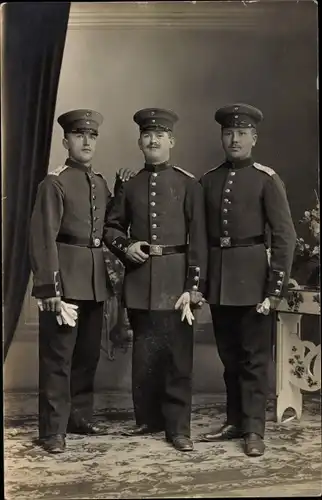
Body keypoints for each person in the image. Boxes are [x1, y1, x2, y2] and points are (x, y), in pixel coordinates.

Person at [29, 109, 134, 454]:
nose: (87, 142)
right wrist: (50, 290)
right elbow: (44, 238)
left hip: (93, 282)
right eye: (79, 136)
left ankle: (78, 417)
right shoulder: (54, 182)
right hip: (66, 283)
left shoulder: (99, 182)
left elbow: (104, 229)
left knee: (86, 356)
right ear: (66, 141)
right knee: (58, 358)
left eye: (92, 136)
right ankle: (52, 431)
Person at [103, 108, 208, 452]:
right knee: (145, 356)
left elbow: (199, 239)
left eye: (159, 136)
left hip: (176, 283)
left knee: (178, 358)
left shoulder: (188, 184)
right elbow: (111, 228)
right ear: (139, 141)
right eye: (147, 136)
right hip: (141, 281)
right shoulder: (130, 185)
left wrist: (193, 287)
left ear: (171, 141)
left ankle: (178, 428)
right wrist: (126, 246)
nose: (152, 141)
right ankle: (147, 419)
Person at [199, 103, 297, 456]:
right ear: (222, 137)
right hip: (221, 282)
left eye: (241, 133)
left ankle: (254, 429)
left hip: (255, 283)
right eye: (228, 133)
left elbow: (285, 237)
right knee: (230, 358)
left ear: (254, 138)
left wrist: (275, 289)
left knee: (255, 358)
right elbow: (201, 236)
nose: (234, 139)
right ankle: (235, 420)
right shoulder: (208, 180)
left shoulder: (266, 179)